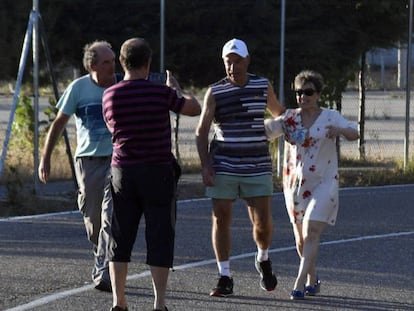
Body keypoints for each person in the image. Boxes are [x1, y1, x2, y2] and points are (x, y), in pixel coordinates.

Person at [102, 37, 201, 311]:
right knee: (159, 234)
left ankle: (119, 301)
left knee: (120, 236)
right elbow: (194, 108)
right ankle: (159, 304)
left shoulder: (109, 95)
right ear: (148, 63)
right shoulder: (161, 93)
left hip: (123, 170)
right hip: (158, 170)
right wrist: (177, 90)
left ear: (122, 62)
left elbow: (112, 128)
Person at [195, 38, 285, 297]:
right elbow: (201, 132)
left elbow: (279, 113)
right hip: (224, 164)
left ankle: (263, 257)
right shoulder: (215, 91)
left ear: (247, 60)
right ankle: (225, 275)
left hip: (257, 164)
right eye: (228, 62)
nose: (233, 66)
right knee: (221, 218)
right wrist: (206, 165)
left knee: (262, 223)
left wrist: (297, 124)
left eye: (237, 61)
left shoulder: (261, 85)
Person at [265, 70, 359, 300]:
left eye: (308, 92)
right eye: (299, 92)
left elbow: (354, 132)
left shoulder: (330, 116)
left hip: (324, 184)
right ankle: (312, 279)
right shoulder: (289, 118)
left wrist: (340, 131)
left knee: (312, 230)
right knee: (301, 239)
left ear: (318, 94)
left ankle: (298, 285)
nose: (303, 96)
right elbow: (265, 131)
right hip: (294, 186)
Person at [38, 40, 120, 292]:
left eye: (114, 61)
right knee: (93, 217)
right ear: (92, 65)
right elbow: (58, 123)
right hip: (88, 161)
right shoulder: (78, 88)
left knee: (110, 216)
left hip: (117, 160)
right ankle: (100, 252)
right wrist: (45, 158)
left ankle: (104, 269)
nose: (112, 66)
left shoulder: (121, 84)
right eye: (107, 62)